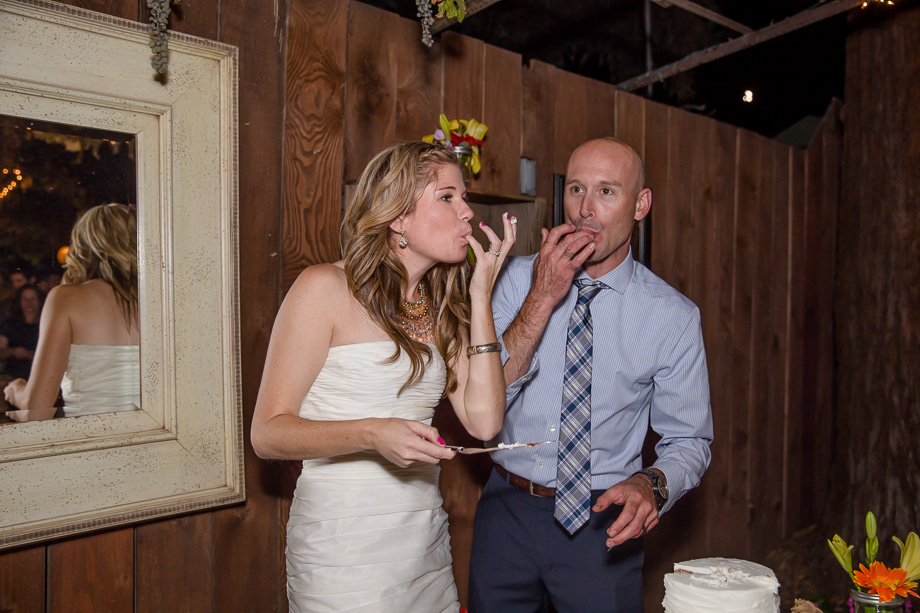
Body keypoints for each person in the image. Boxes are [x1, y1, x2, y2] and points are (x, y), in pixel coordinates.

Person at [250, 141, 516, 613]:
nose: (468, 213)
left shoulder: (442, 310)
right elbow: (267, 434)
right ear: (398, 217)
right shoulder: (323, 288)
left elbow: (485, 421)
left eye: (464, 197)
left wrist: (480, 298)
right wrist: (373, 433)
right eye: (448, 197)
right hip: (343, 552)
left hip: (422, 546)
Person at [468, 137, 714, 612]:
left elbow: (689, 440)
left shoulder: (674, 316)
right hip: (506, 511)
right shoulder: (511, 280)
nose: (585, 209)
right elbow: (485, 396)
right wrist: (541, 296)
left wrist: (653, 484)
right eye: (576, 189)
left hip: (603, 520)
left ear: (640, 204)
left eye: (607, 192)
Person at [4, 204, 140, 421]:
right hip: (156, 443)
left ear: (84, 247)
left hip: (91, 444)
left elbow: (35, 410)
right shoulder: (161, 299)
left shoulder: (66, 298)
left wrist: (16, 389)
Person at [0, 284, 44, 379]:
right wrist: (13, 352)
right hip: (13, 376)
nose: (29, 303)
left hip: (39, 375)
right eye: (25, 299)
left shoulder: (46, 324)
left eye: (33, 299)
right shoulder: (10, 325)